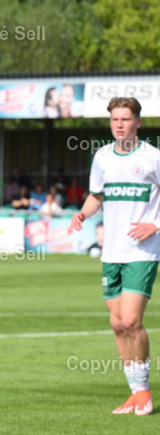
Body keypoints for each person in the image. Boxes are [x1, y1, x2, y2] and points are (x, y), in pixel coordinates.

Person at [71, 96, 157, 416]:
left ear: (138, 122)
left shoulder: (152, 157)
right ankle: (135, 393)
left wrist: (155, 224)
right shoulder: (103, 156)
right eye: (114, 120)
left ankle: (145, 391)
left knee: (132, 319)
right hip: (112, 251)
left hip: (142, 250)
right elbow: (97, 195)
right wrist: (82, 214)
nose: (119, 125)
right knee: (117, 323)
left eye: (125, 119)